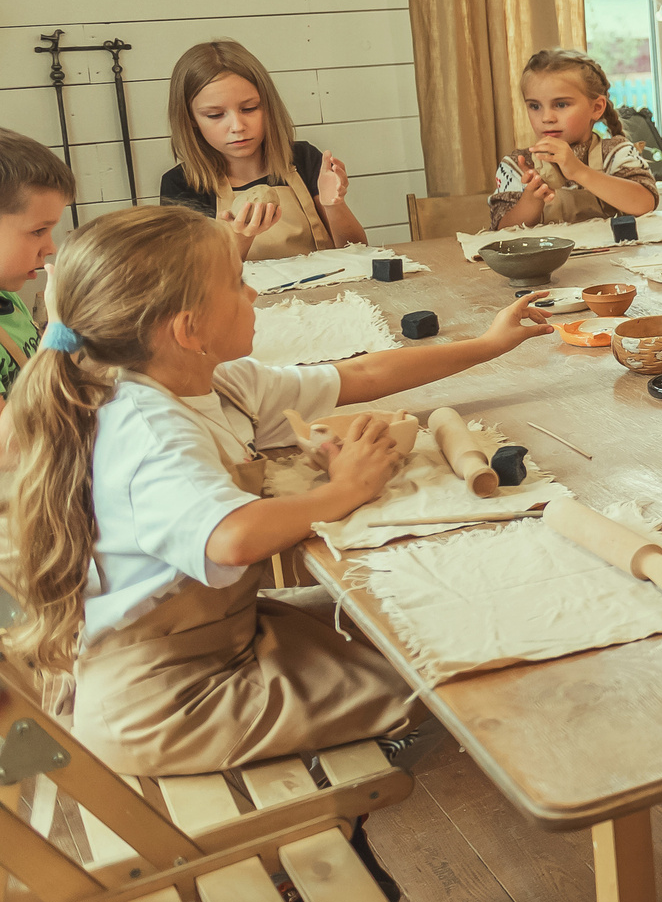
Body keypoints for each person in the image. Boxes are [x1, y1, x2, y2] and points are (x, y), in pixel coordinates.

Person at [5, 205, 548, 775]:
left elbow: (360, 375)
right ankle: (358, 763)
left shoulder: (211, 383)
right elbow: (231, 538)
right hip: (168, 700)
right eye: (238, 284)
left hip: (221, 634)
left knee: (431, 617)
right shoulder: (146, 428)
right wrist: (345, 489)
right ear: (188, 329)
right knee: (455, 680)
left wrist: (489, 345)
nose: (255, 294)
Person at [158, 40, 370, 257]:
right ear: (190, 118)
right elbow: (193, 279)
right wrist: (243, 236)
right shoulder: (182, 185)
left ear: (267, 105)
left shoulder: (303, 158)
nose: (238, 127)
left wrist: (334, 205)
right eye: (215, 115)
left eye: (249, 108)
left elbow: (356, 251)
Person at [488, 48, 660, 229]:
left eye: (561, 104)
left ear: (596, 108)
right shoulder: (517, 166)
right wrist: (532, 198)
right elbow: (502, 230)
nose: (547, 117)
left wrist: (578, 171)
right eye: (535, 106)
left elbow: (644, 204)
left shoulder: (617, 152)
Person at [0, 131, 72, 413]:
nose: (51, 247)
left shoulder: (8, 297)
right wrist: (59, 335)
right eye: (38, 231)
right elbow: (9, 449)